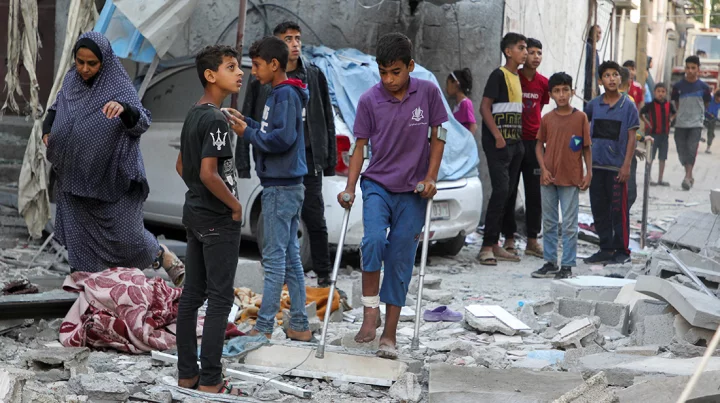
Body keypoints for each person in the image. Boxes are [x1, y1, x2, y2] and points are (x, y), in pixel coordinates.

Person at [338, 32, 447, 359]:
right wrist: (348, 187)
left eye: (395, 72)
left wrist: (431, 178)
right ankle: (371, 312)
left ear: (410, 66)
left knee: (400, 258)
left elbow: (439, 137)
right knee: (372, 240)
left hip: (413, 191)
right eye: (382, 72)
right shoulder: (369, 100)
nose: (388, 79)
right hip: (378, 185)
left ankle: (390, 333)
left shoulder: (427, 93)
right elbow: (360, 147)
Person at [43, 32, 183, 283]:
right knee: (79, 241)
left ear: (104, 61)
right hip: (74, 176)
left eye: (92, 63)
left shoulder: (117, 84)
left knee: (129, 237)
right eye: (80, 61)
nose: (84, 69)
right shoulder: (71, 80)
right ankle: (88, 298)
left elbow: (141, 122)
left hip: (111, 177)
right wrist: (47, 130)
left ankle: (163, 256)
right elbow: (56, 108)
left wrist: (124, 109)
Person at [236, 21, 337, 287]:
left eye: (297, 38)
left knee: (314, 217)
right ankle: (281, 280)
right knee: (278, 223)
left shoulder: (313, 76)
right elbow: (251, 115)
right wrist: (244, 161)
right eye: (288, 39)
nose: (294, 44)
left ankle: (325, 276)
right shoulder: (263, 80)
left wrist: (329, 162)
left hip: (308, 160)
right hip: (277, 162)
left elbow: (327, 118)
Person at [175, 45, 244, 395]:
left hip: (196, 215)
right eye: (231, 67)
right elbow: (207, 173)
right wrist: (234, 206)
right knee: (220, 299)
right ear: (211, 75)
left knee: (191, 296)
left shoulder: (194, 113)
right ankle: (212, 380)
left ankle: (187, 374)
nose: (240, 72)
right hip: (218, 219)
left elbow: (180, 167)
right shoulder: (216, 119)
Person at [235, 37, 313, 342]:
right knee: (291, 257)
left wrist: (248, 133)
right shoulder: (278, 94)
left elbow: (282, 139)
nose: (253, 72)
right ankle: (300, 325)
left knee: (274, 259)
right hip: (285, 186)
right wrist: (248, 122)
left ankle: (264, 326)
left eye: (256, 65)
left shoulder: (285, 96)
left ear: (274, 65)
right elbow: (271, 130)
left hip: (281, 188)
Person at [531, 72, 591, 279]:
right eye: (557, 91)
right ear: (551, 95)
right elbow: (539, 146)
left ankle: (567, 265)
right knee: (548, 221)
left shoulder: (580, 117)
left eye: (566, 90)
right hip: (548, 179)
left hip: (571, 178)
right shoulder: (547, 119)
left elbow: (585, 148)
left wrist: (588, 172)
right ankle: (549, 262)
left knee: (569, 224)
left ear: (572, 92)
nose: (562, 94)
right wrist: (544, 169)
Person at [477, 32, 527, 266]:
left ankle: (497, 244)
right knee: (500, 191)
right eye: (521, 47)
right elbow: (484, 108)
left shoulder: (518, 77)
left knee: (508, 194)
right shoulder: (498, 75)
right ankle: (486, 246)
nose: (525, 52)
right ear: (508, 51)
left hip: (515, 144)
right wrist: (497, 136)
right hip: (499, 144)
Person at [584, 61, 640, 265]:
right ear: (600, 80)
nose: (612, 79)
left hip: (617, 168)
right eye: (607, 75)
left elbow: (632, 137)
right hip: (597, 167)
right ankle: (606, 248)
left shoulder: (628, 106)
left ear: (620, 79)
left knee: (618, 210)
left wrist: (626, 165)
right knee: (599, 209)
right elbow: (583, 130)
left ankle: (623, 251)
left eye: (615, 74)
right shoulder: (593, 105)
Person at [509, 37, 548, 258]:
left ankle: (532, 240)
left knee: (534, 193)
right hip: (514, 140)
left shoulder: (543, 83)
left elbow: (540, 107)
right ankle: (510, 239)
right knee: (510, 190)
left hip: (534, 143)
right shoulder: (514, 79)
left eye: (538, 53)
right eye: (530, 52)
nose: (534, 57)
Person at [672, 55, 711, 190]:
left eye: (693, 68)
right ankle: (689, 173)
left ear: (698, 69)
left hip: (696, 124)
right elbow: (676, 103)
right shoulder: (678, 86)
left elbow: (706, 103)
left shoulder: (704, 87)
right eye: (687, 68)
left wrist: (698, 116)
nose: (690, 70)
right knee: (681, 151)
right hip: (680, 123)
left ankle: (687, 177)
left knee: (691, 149)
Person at [640, 83, 676, 185]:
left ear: (666, 93)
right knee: (650, 157)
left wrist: (670, 120)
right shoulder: (650, 105)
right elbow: (641, 113)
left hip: (664, 135)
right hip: (653, 135)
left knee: (663, 158)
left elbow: (674, 113)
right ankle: (648, 177)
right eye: (658, 91)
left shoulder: (669, 105)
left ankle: (660, 179)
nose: (660, 94)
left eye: (663, 91)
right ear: (654, 92)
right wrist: (647, 123)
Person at [446, 68, 477, 133]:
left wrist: (467, 142)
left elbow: (473, 126)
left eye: (447, 84)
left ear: (456, 83)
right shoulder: (457, 105)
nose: (446, 88)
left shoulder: (465, 103)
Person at [584, 25, 601, 102]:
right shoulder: (588, 47)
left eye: (599, 33)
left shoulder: (595, 50)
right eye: (596, 32)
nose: (598, 35)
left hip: (594, 86)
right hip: (588, 87)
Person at [704, 90, 720, 154]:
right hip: (705, 116)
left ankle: (708, 147)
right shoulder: (710, 99)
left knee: (710, 133)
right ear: (716, 96)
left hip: (713, 119)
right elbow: (704, 106)